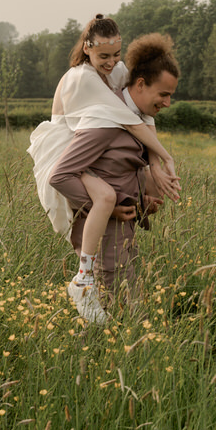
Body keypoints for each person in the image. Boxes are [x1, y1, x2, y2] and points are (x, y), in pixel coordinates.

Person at [27, 16, 180, 304]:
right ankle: (83, 276)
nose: (111, 63)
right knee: (105, 198)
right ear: (87, 48)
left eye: (116, 55)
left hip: (83, 148)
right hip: (63, 145)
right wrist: (163, 155)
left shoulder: (117, 73)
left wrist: (153, 172)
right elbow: (126, 118)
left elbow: (140, 113)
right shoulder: (83, 79)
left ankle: (88, 284)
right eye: (103, 56)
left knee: (118, 194)